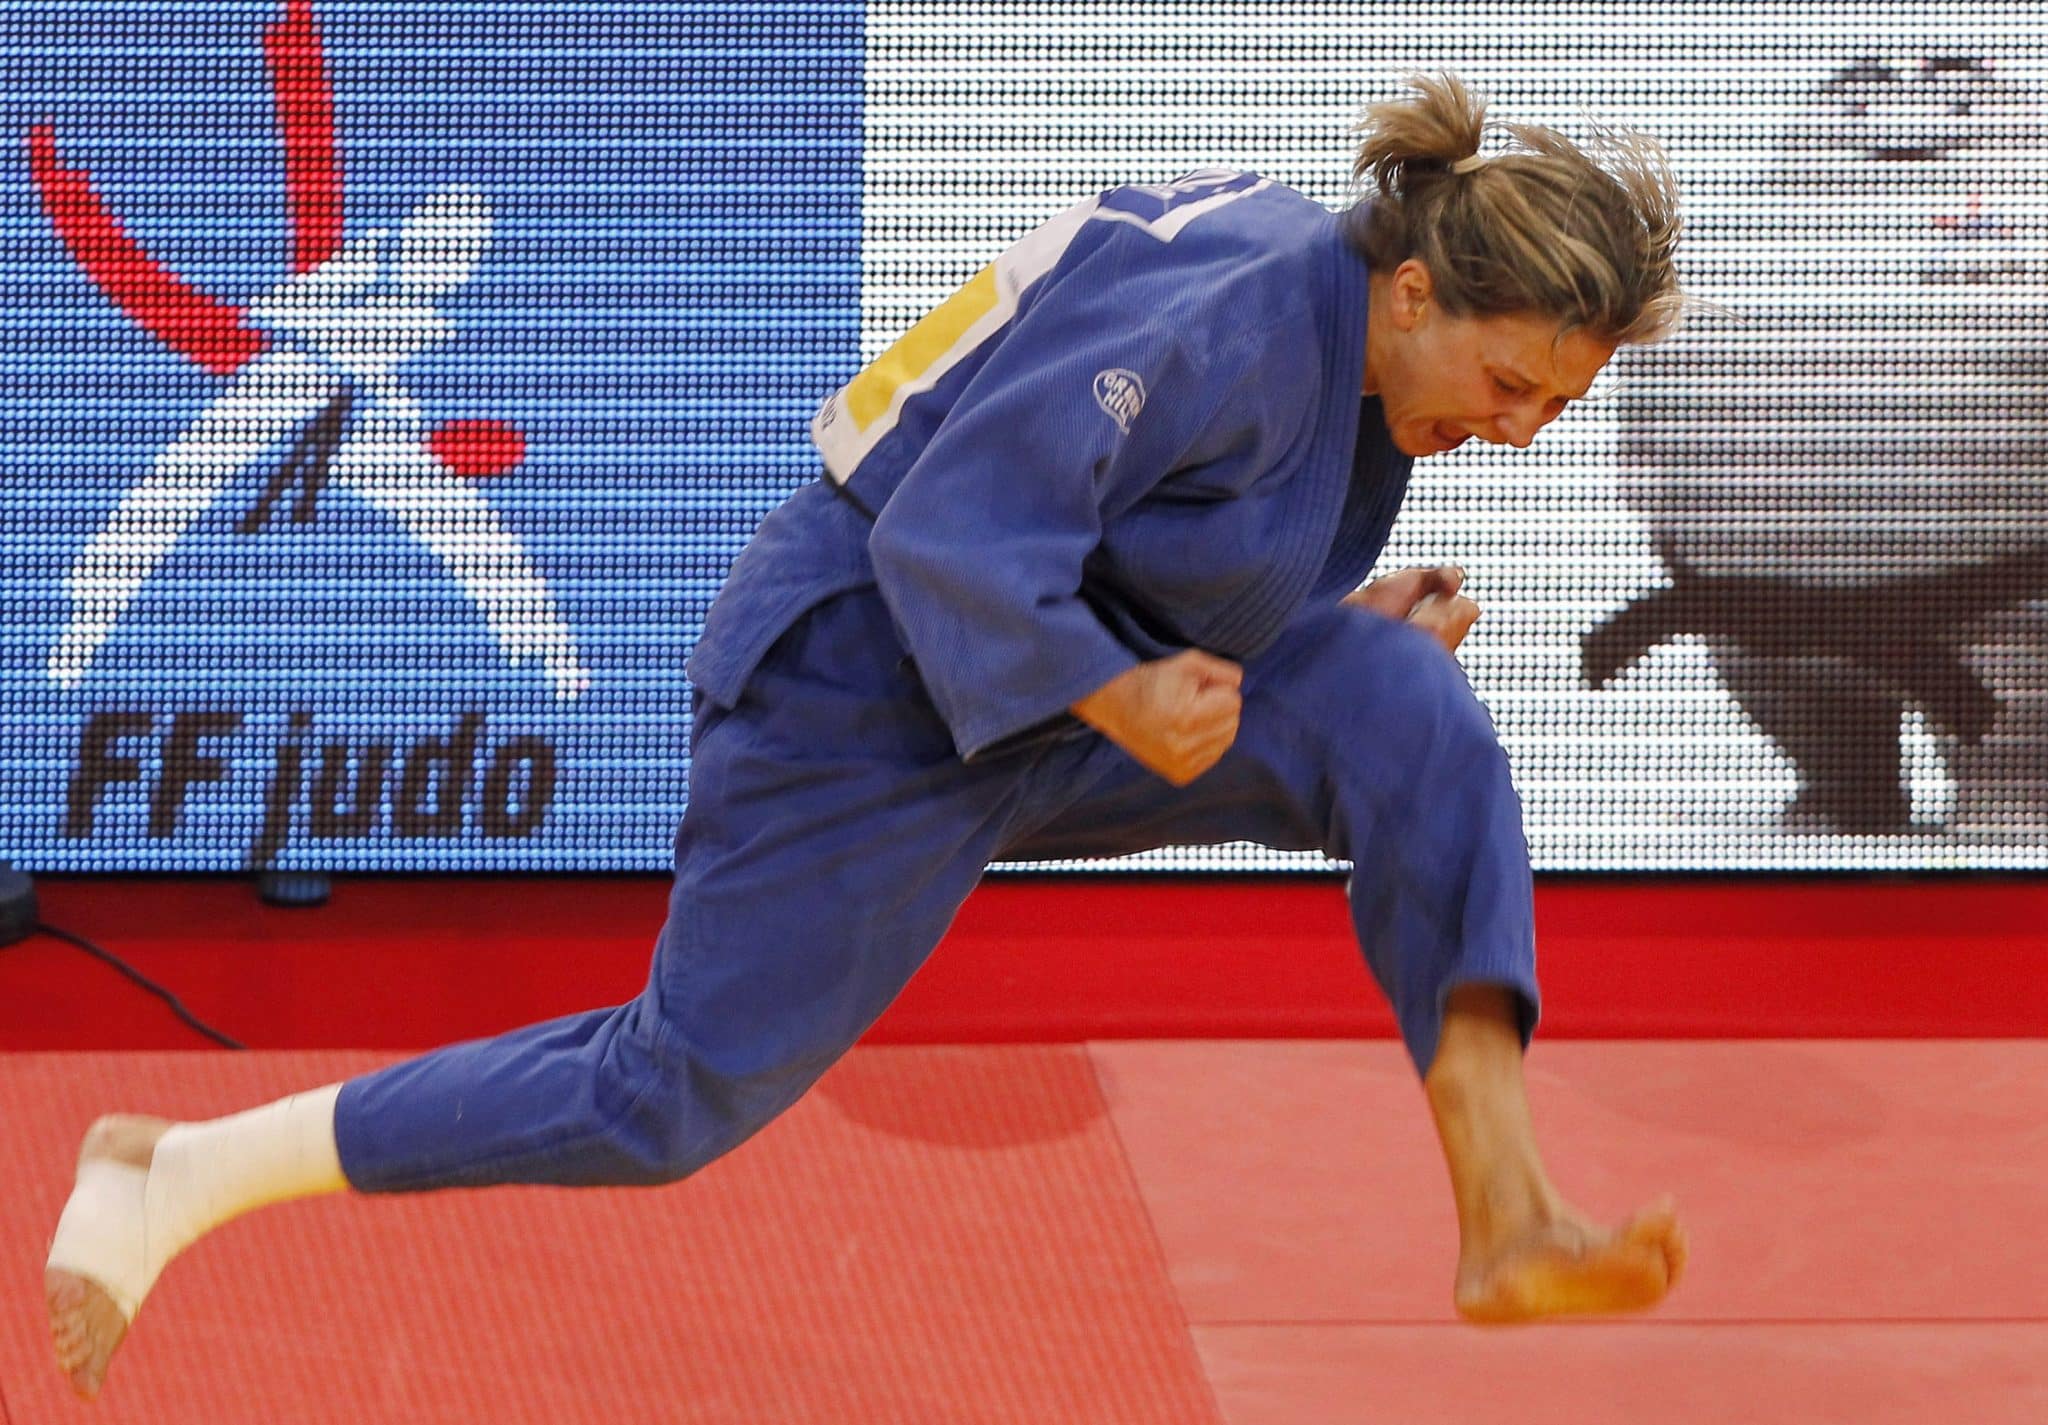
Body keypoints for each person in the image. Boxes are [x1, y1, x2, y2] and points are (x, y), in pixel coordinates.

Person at [46, 72, 1690, 1400]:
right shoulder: (1238, 315)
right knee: (668, 1096)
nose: (1521, 433)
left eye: (1554, 405)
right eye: (1510, 383)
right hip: (860, 680)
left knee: (1412, 712)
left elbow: (1166, 542)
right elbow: (950, 540)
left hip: (1063, 677)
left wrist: (1313, 637)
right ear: (1413, 290)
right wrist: (1127, 690)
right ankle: (176, 1169)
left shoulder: (1357, 349)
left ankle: (1502, 1200)